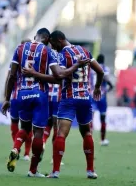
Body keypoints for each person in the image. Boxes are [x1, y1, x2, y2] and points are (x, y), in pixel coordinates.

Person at [1, 28, 90, 177]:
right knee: (38, 132)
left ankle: (16, 148)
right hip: (41, 95)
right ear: (47, 39)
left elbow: (11, 76)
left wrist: (7, 99)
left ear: (36, 36)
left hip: (22, 93)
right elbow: (58, 76)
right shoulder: (47, 52)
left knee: (25, 127)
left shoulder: (20, 48)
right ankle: (33, 171)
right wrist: (74, 67)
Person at [23, 30, 104, 179]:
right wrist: (97, 87)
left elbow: (58, 77)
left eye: (53, 44)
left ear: (59, 40)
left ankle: (55, 172)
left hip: (69, 98)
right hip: (85, 98)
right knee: (86, 132)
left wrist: (34, 74)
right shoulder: (84, 51)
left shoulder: (62, 56)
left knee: (60, 134)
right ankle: (91, 171)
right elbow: (100, 71)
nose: (53, 48)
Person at [4, 39, 32, 161]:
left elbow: (9, 78)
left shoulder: (16, 60)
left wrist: (6, 97)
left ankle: (16, 148)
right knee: (28, 126)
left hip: (16, 96)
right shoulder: (37, 59)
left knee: (14, 123)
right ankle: (26, 153)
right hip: (31, 95)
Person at [91, 54, 113, 146]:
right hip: (101, 95)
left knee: (90, 119)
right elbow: (106, 78)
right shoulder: (105, 68)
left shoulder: (91, 68)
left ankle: (89, 139)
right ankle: (103, 140)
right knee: (102, 118)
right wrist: (109, 87)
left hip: (92, 94)